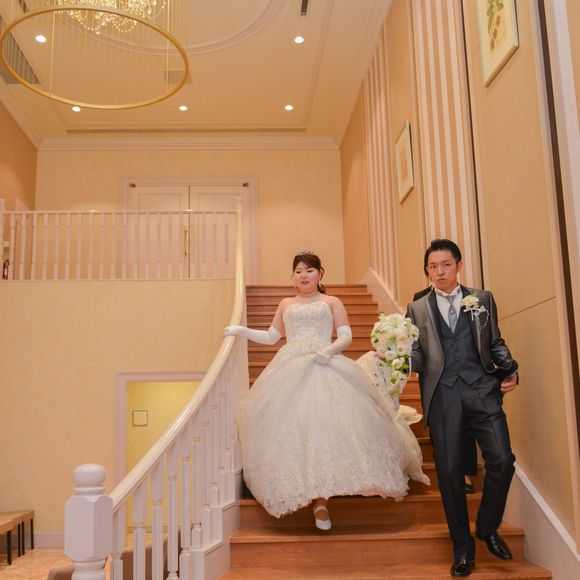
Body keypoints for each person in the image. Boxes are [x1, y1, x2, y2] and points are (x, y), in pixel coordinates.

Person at [225, 250, 429, 530]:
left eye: (309, 270)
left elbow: (346, 335)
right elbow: (272, 336)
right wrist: (241, 330)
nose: (304, 275)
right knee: (296, 430)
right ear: (293, 276)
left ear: (320, 274)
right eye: (298, 271)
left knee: (325, 428)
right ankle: (306, 491)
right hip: (290, 366)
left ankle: (322, 500)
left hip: (325, 363)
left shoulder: (331, 301)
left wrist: (329, 351)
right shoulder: (285, 304)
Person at [406, 239, 518, 577]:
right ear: (427, 270)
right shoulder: (417, 308)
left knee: (502, 459)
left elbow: (494, 341)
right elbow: (417, 354)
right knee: (450, 472)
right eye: (433, 267)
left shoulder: (482, 299)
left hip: (482, 388)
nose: (440, 272)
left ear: (458, 265)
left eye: (446, 265)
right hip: (443, 394)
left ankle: (486, 527)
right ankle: (463, 547)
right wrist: (400, 358)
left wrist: (510, 368)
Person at [412, 290, 478, 494]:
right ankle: (446, 468)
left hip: (467, 375)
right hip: (437, 378)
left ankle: (465, 473)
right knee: (440, 425)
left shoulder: (471, 297)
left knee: (466, 425)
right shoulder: (419, 301)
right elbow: (416, 341)